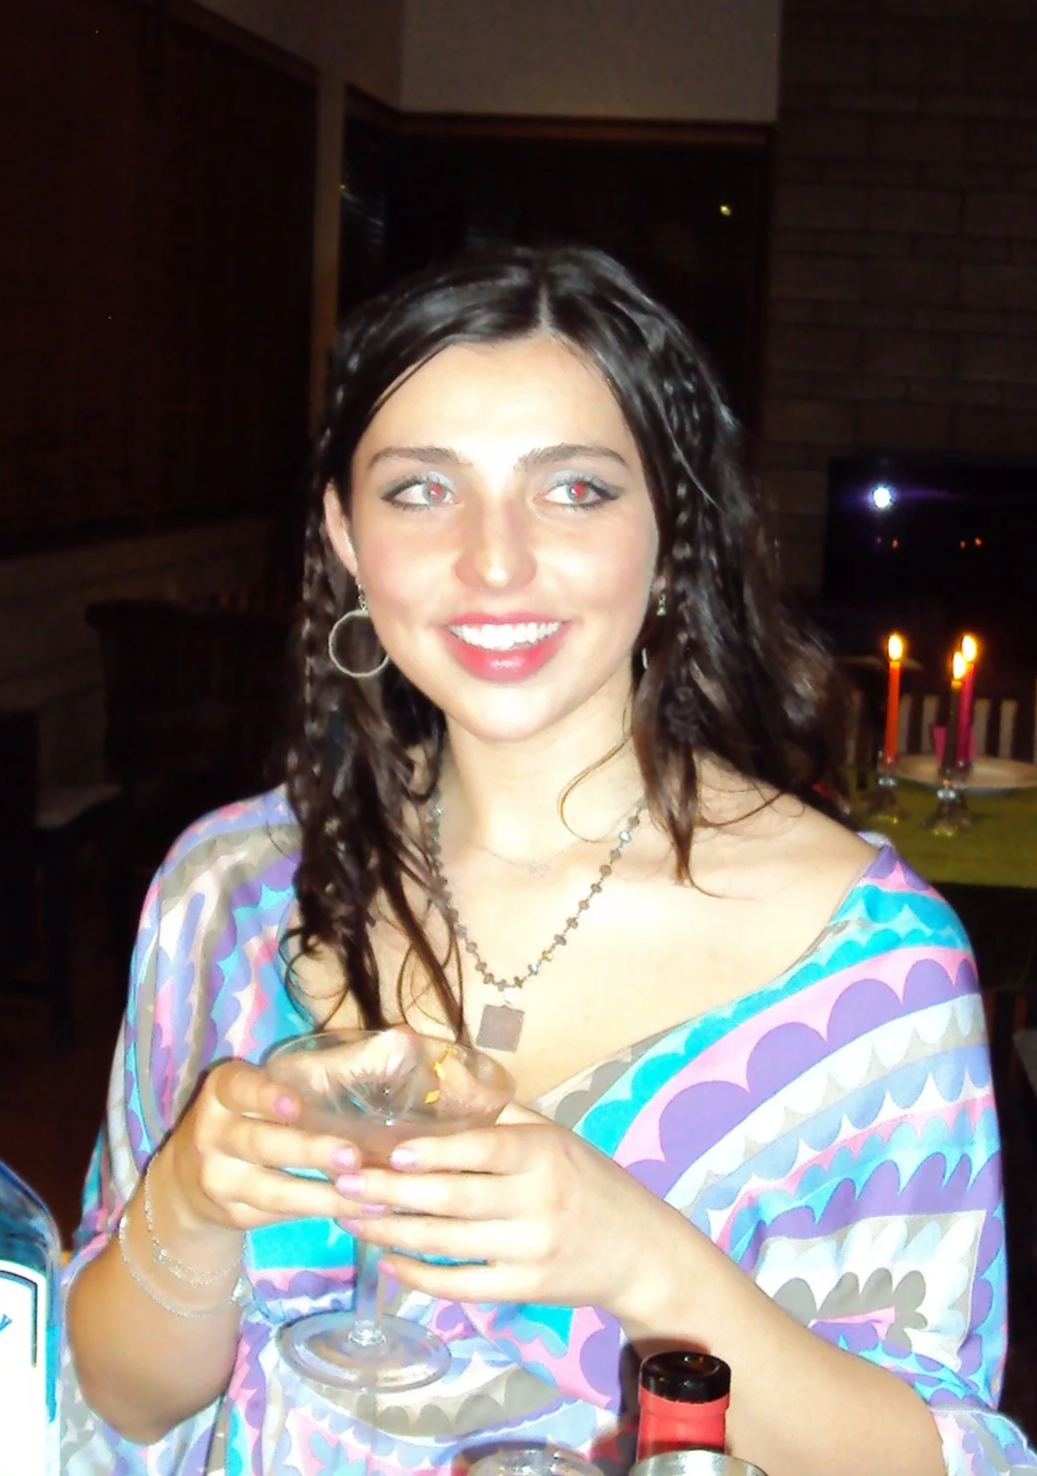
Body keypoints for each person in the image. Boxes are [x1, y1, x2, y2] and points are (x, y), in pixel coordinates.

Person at [62, 245, 1035, 1476]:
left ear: (672, 529)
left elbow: (930, 1460)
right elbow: (123, 1403)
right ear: (346, 536)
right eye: (421, 490)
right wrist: (191, 1207)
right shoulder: (228, 893)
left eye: (573, 490)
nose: (494, 561)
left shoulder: (870, 973)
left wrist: (637, 1259)